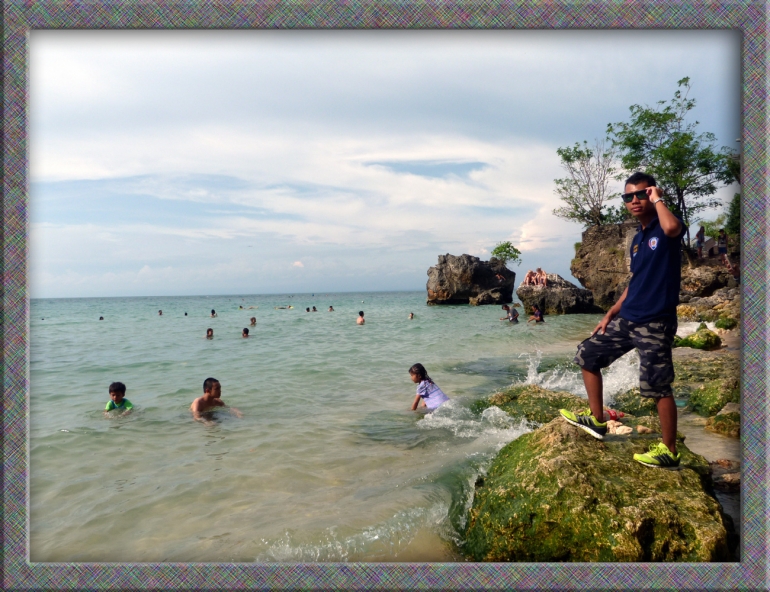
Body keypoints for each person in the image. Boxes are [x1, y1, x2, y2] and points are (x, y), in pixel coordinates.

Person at [560, 172, 686, 469]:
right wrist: (612, 311)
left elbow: (672, 226)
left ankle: (669, 450)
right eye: (628, 196)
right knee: (587, 354)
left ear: (653, 193)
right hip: (629, 317)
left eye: (640, 194)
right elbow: (636, 280)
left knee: (657, 386)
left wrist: (658, 199)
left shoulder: (665, 228)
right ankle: (597, 420)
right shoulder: (638, 239)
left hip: (656, 320)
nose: (634, 201)